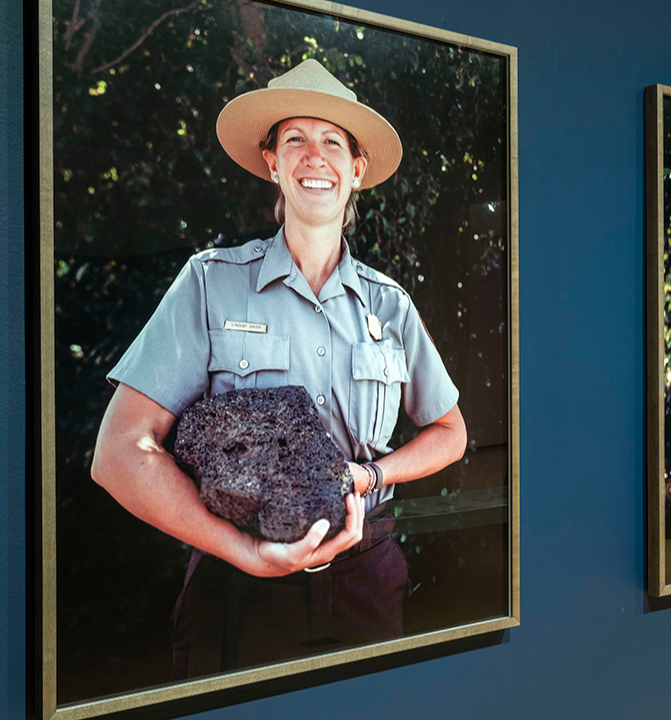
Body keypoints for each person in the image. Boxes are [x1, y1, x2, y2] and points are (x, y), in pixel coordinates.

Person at [90, 59, 466, 678]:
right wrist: (248, 552)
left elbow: (450, 435)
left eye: (332, 143)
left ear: (356, 170)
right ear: (272, 161)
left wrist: (368, 476)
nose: (313, 157)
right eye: (295, 139)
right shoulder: (210, 284)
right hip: (238, 595)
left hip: (365, 586)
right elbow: (119, 453)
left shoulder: (390, 305)